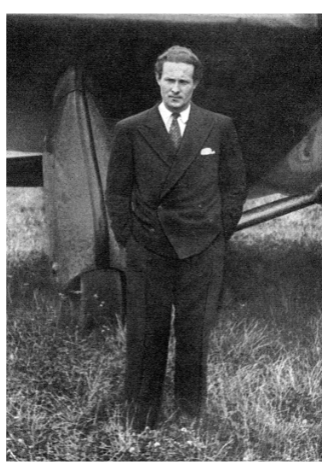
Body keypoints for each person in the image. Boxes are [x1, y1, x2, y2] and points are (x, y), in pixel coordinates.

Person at [105, 46, 246, 431]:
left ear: (195, 84)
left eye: (184, 82)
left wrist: (220, 230)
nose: (176, 89)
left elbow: (234, 186)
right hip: (149, 246)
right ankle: (140, 412)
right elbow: (117, 190)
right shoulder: (131, 129)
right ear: (158, 79)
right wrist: (128, 236)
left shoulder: (219, 126)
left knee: (194, 332)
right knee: (146, 331)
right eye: (170, 80)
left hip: (201, 247)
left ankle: (190, 412)